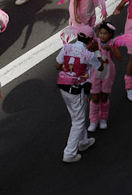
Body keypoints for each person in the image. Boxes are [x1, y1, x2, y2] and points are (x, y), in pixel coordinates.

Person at [55, 27, 100, 163]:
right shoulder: (89, 55)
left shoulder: (66, 48)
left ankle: (83, 142)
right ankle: (69, 153)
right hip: (77, 89)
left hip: (63, 86)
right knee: (78, 121)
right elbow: (100, 67)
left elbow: (57, 66)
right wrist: (97, 50)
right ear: (90, 40)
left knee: (76, 115)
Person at [88, 22, 121, 132]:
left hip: (108, 74)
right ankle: (93, 120)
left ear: (110, 35)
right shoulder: (95, 42)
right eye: (101, 33)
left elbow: (120, 58)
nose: (102, 36)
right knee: (95, 98)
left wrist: (111, 49)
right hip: (94, 74)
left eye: (105, 34)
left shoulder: (113, 43)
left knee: (104, 97)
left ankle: (103, 118)